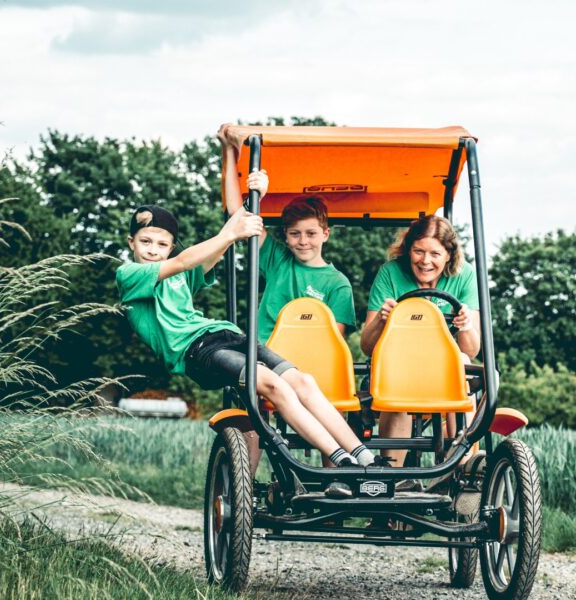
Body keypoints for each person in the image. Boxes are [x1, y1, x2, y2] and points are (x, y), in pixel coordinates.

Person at [116, 201, 381, 495]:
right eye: (146, 242)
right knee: (271, 384)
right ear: (131, 242)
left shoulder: (179, 276)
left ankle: (365, 459)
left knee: (302, 381)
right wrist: (230, 236)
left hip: (226, 333)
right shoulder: (130, 275)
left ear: (170, 245)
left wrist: (250, 201)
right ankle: (342, 462)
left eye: (162, 244)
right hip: (197, 351)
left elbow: (216, 245)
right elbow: (184, 260)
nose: (153, 249)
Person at [360, 215, 481, 470]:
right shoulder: (391, 273)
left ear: (449, 254)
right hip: (398, 366)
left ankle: (461, 462)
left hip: (443, 370)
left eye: (435, 254)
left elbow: (471, 350)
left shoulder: (465, 275)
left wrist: (466, 325)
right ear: (408, 250)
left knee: (461, 361)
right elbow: (367, 347)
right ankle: (392, 474)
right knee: (399, 376)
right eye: (418, 251)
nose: (425, 261)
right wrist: (382, 320)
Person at [217, 123, 355, 343]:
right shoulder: (278, 260)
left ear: (325, 234)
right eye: (295, 233)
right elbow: (237, 215)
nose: (303, 241)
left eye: (311, 233)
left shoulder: (338, 284)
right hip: (264, 357)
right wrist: (228, 151)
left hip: (306, 365)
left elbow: (332, 344)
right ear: (286, 234)